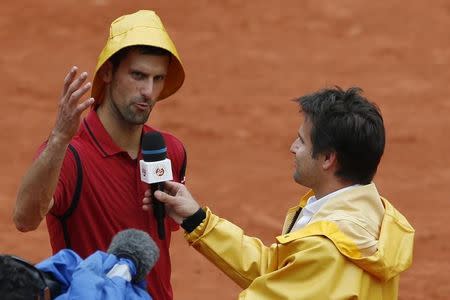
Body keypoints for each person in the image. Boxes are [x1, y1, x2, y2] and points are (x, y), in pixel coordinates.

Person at [144, 87, 415, 299]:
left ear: (328, 158)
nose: (292, 147)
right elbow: (279, 274)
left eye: (302, 140)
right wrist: (196, 219)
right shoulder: (370, 212)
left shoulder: (325, 247)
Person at [13, 10, 186, 299]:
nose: (148, 91)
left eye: (158, 79)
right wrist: (58, 140)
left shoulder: (170, 151)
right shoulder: (70, 154)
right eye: (138, 75)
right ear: (107, 72)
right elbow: (25, 218)